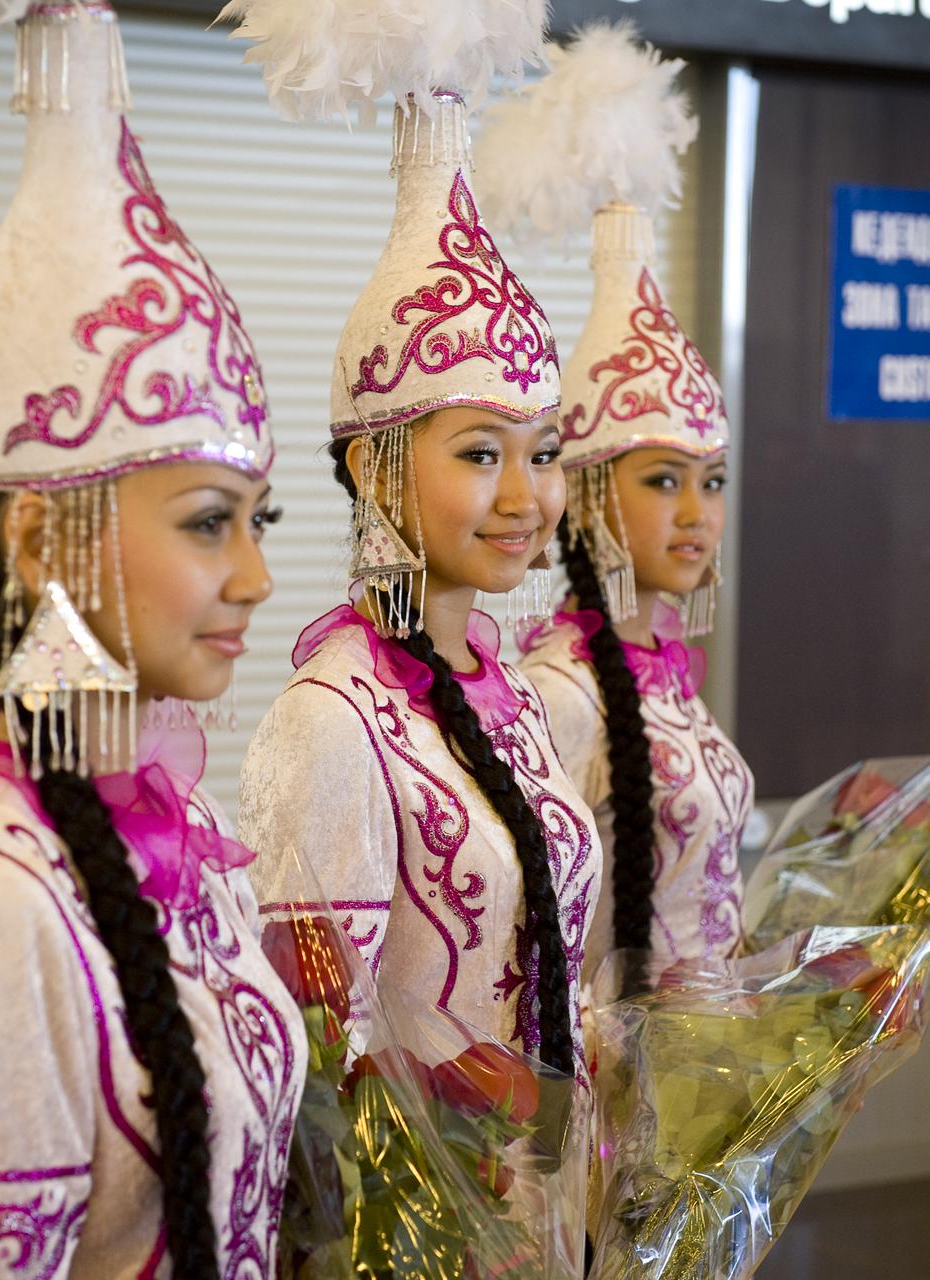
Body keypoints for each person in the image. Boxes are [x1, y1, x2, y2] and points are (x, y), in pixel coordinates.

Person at [0, 5, 305, 1277]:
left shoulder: (193, 831)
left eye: (257, 520)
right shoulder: (2, 902)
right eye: (212, 523)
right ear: (41, 543)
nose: (259, 576)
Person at [230, 15, 601, 1080]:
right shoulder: (330, 722)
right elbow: (308, 1076)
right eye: (482, 452)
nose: (527, 496)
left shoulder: (514, 691)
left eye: (544, 453)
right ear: (373, 467)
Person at [476, 24, 753, 985]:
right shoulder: (560, 692)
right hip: (615, 1103)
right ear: (589, 489)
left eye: (709, 481)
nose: (695, 512)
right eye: (661, 479)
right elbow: (532, 942)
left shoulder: (666, 671)